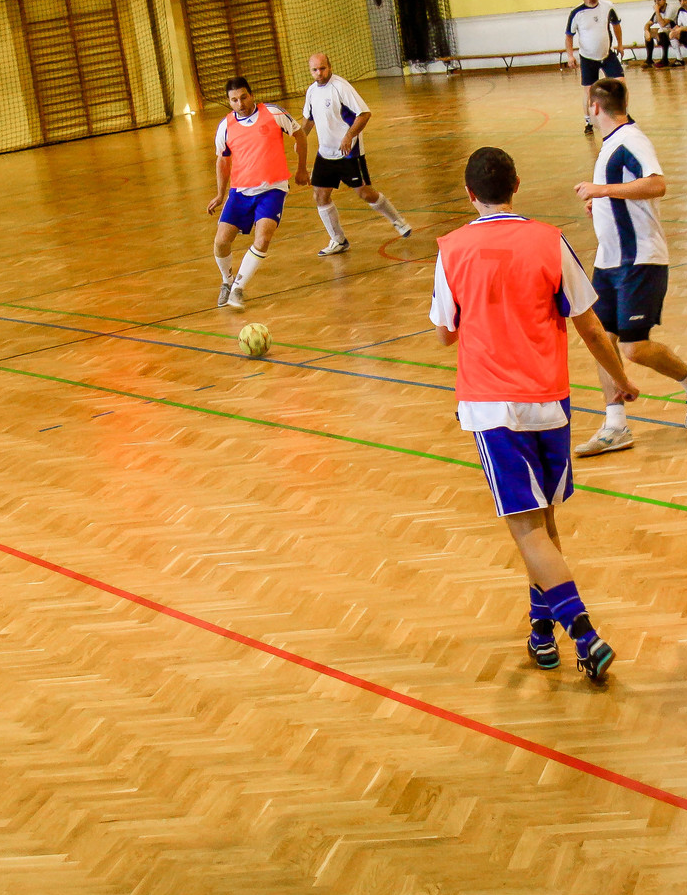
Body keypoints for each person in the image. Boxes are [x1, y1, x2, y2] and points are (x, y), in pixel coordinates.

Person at [428, 145, 637, 682]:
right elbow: (590, 325)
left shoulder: (451, 249)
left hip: (492, 405)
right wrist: (619, 379)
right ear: (516, 185)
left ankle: (584, 635)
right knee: (544, 524)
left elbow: (446, 333)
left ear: (469, 194)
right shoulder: (550, 240)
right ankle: (542, 634)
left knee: (527, 531)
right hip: (550, 402)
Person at [570, 79, 687, 456]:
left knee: (633, 348)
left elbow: (656, 185)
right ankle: (615, 425)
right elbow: (626, 193)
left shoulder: (631, 140)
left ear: (595, 106)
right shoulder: (609, 146)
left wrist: (601, 192)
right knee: (602, 341)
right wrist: (601, 204)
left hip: (639, 259)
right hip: (609, 260)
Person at [208, 76, 309, 309]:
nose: (240, 103)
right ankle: (227, 282)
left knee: (263, 238)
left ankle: (238, 289)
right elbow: (222, 161)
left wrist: (302, 168)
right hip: (240, 192)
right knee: (221, 242)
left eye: (243, 97)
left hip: (272, 189)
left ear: (251, 95)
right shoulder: (225, 126)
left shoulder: (273, 113)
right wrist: (220, 194)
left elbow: (300, 135)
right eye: (234, 100)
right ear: (229, 102)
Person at [301, 52, 411, 256]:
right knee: (320, 195)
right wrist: (300, 137)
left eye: (322, 68)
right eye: (314, 70)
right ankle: (338, 240)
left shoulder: (340, 87)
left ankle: (398, 220)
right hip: (325, 153)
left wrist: (349, 136)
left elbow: (364, 114)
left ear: (330, 67)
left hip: (349, 152)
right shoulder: (311, 92)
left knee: (365, 193)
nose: (319, 73)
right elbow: (309, 119)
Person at [563, 0, 622, 133]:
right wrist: (570, 56)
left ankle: (623, 115)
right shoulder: (576, 13)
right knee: (590, 92)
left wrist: (620, 44)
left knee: (620, 84)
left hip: (607, 55)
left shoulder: (608, 7)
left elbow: (616, 25)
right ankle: (588, 122)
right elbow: (569, 36)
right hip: (588, 58)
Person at [643, 0, 677, 68]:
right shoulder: (658, 11)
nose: (657, 3)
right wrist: (646, 31)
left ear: (664, 0)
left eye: (659, 0)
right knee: (650, 32)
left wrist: (657, 11)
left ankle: (665, 59)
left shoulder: (670, 9)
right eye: (655, 1)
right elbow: (648, 24)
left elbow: (663, 24)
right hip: (665, 30)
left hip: (675, 30)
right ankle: (649, 60)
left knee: (661, 32)